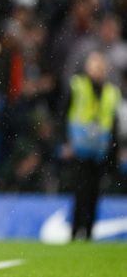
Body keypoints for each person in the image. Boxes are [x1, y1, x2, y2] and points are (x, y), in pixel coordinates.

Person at [61, 51, 121, 240]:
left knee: (95, 192)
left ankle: (88, 232)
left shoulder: (112, 92)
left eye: (101, 66)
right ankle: (75, 230)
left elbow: (114, 124)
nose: (98, 69)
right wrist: (65, 141)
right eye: (95, 65)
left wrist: (114, 150)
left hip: (99, 150)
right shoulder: (78, 86)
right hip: (79, 148)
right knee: (80, 190)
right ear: (87, 67)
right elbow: (63, 114)